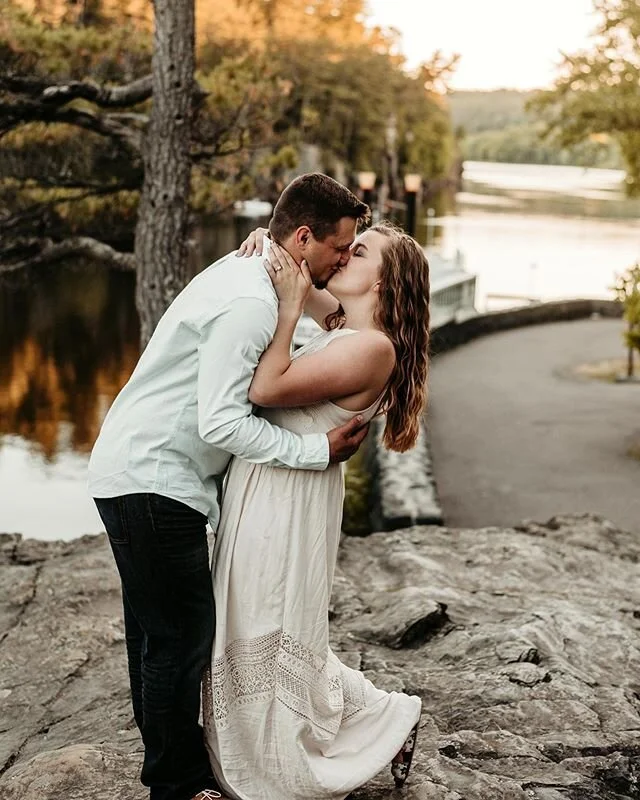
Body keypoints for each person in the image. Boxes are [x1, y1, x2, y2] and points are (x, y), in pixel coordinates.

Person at [88, 173, 371, 800]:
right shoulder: (251, 301)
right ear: (304, 238)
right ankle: (180, 784)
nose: (343, 260)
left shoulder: (259, 281)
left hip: (142, 473)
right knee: (178, 641)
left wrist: (303, 291)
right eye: (338, 248)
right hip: (154, 478)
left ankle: (172, 772)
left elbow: (320, 337)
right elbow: (221, 421)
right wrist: (314, 451)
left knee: (157, 637)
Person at [203, 221, 430, 799]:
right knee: (251, 618)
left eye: (360, 252)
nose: (345, 254)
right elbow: (299, 269)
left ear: (385, 281)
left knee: (265, 619)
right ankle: (384, 715)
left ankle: (285, 760)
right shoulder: (345, 325)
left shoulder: (373, 348)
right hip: (267, 484)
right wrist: (270, 238)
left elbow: (265, 388)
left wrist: (286, 312)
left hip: (289, 501)